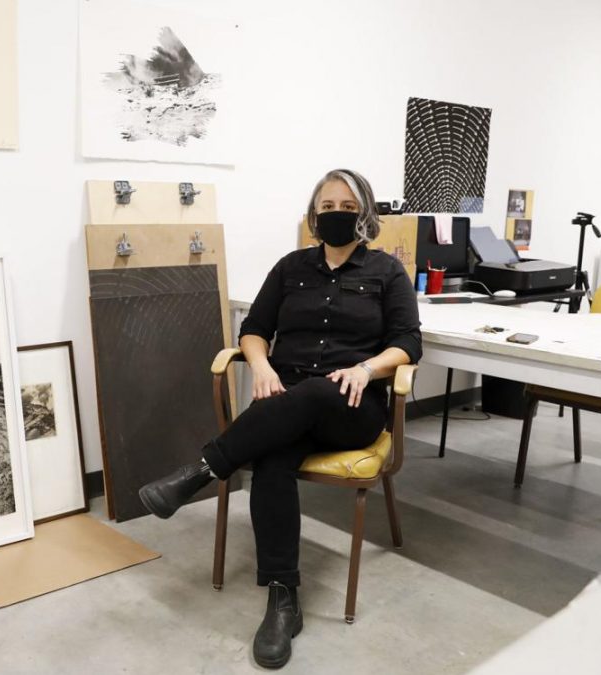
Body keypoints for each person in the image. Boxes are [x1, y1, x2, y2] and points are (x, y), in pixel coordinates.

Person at [138, 169, 422, 669]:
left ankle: (202, 471)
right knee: (271, 459)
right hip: (286, 403)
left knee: (312, 392)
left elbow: (408, 342)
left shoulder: (386, 273)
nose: (337, 214)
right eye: (327, 206)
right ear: (314, 215)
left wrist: (366, 367)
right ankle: (282, 599)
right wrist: (264, 366)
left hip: (351, 406)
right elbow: (253, 330)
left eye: (347, 206)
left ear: (366, 214)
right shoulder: (291, 267)